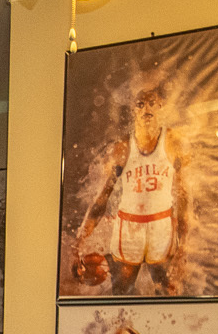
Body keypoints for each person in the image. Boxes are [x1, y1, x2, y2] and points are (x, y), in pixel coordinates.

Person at [71, 80, 190, 294]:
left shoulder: (173, 142)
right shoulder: (122, 148)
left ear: (160, 106)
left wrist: (183, 248)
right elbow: (102, 199)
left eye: (151, 103)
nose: (146, 109)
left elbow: (183, 197)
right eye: (140, 104)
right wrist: (79, 241)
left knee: (168, 292)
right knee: (121, 294)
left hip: (161, 228)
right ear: (133, 110)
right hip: (128, 230)